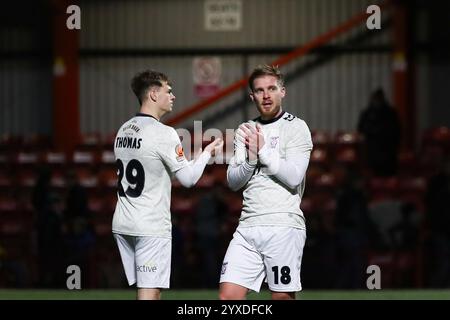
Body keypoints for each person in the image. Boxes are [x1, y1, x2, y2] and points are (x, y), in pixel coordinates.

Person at [112, 70, 223, 300]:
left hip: (123, 221)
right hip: (150, 225)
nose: (173, 96)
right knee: (149, 291)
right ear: (153, 94)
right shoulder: (164, 133)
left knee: (151, 290)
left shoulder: (123, 130)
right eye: (168, 91)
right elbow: (188, 179)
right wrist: (206, 153)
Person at [219, 65, 313, 300]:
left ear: (283, 91)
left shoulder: (296, 127)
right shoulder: (246, 130)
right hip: (247, 225)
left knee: (281, 297)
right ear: (252, 96)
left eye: (272, 88)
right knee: (228, 297)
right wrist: (251, 162)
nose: (266, 95)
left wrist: (262, 152)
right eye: (259, 91)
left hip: (283, 224)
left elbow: (294, 177)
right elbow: (233, 181)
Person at [357, 88, 401, 177]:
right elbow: (361, 129)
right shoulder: (367, 113)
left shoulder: (390, 113)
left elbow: (396, 132)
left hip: (388, 153)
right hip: (372, 152)